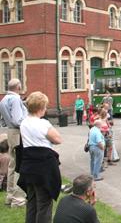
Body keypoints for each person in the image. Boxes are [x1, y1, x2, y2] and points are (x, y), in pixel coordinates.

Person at [18, 91, 62, 223]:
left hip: (28, 166)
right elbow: (58, 139)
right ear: (40, 108)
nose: (46, 109)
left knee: (32, 202)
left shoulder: (24, 123)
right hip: (43, 167)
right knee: (44, 205)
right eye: (45, 106)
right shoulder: (43, 124)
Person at [0, 78, 28, 207]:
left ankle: (10, 196)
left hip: (11, 132)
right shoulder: (16, 99)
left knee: (12, 165)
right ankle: (18, 199)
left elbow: (4, 121)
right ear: (18, 87)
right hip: (18, 132)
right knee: (18, 166)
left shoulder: (4, 99)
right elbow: (17, 120)